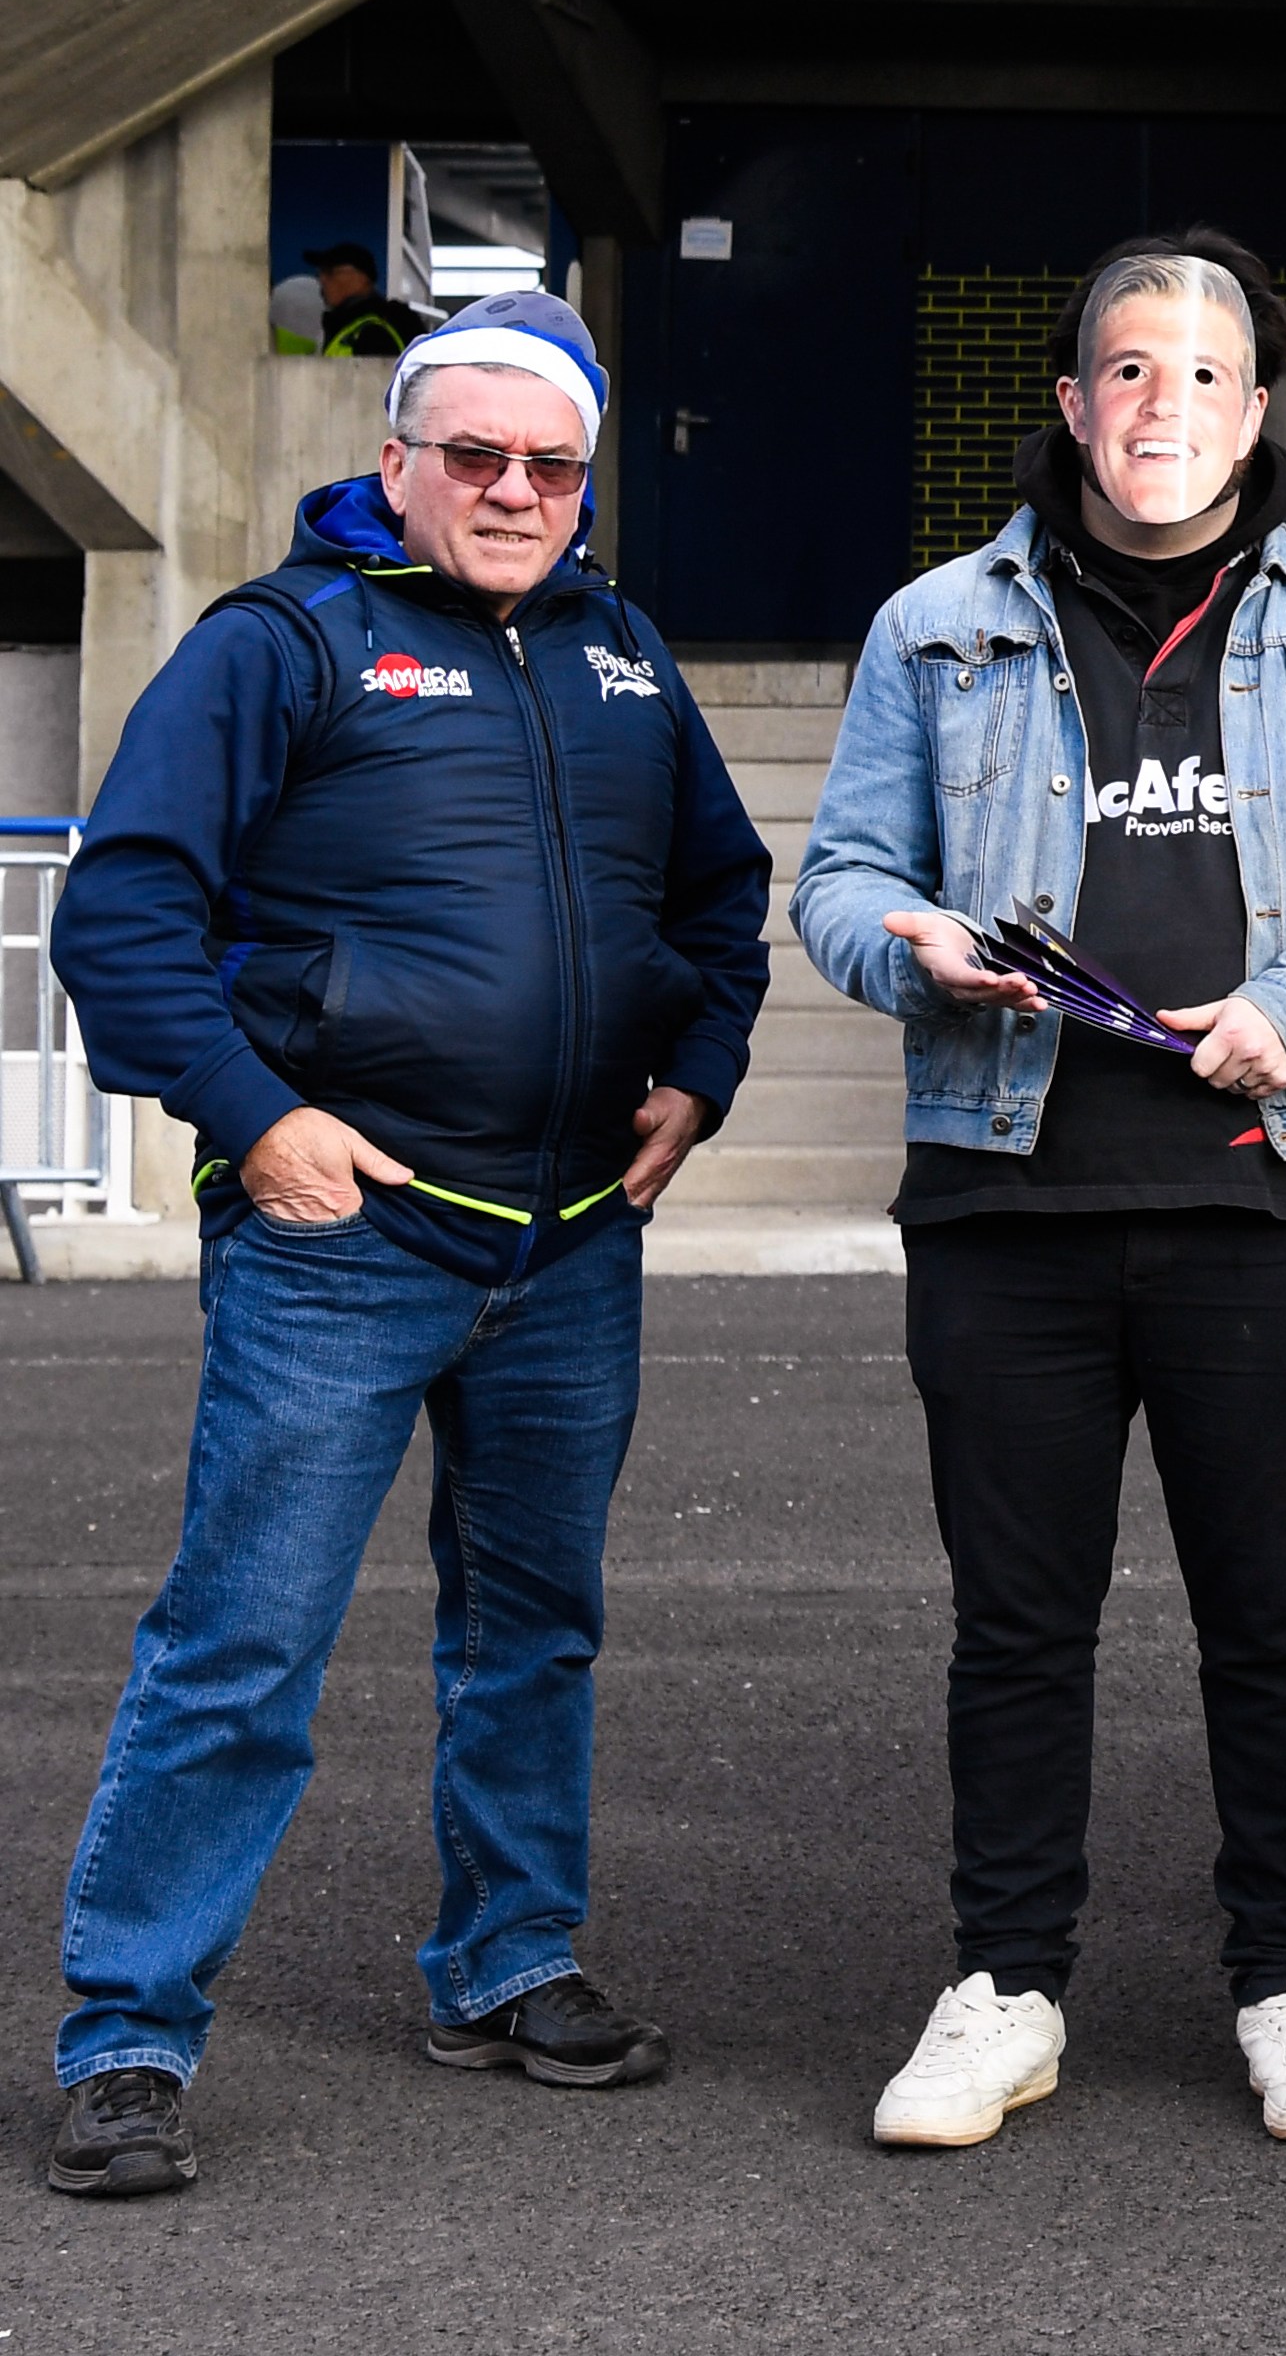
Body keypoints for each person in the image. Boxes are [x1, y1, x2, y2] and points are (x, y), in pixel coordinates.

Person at [41, 293, 771, 2197]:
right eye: (478, 458)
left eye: (553, 464)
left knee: (532, 1629)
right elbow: (122, 910)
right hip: (344, 1235)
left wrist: (700, 1073)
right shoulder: (282, 645)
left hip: (568, 1242)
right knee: (244, 1642)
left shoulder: (621, 655)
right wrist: (259, 1120)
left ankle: (510, 1957)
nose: (518, 491)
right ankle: (129, 2031)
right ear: (397, 463)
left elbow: (721, 891)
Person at [796, 234, 1286, 2152]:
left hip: (1266, 1188)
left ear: (1260, 411)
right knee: (1016, 1616)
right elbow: (841, 876)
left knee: (1281, 1608)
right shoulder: (936, 622)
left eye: (1203, 377)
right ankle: (1006, 1982)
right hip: (1005, 1190)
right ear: (1070, 398)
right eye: (1127, 371)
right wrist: (917, 943)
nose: (1162, 410)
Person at [309, 244, 431, 358]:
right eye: (320, 274)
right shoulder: (344, 325)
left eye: (330, 272)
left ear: (361, 279)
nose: (322, 280)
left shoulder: (375, 330)